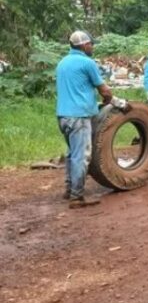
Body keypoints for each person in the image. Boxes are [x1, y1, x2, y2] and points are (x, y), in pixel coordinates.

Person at [55, 30, 113, 208]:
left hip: (63, 116)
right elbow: (104, 90)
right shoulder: (87, 63)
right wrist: (110, 100)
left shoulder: (62, 63)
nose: (92, 46)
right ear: (84, 45)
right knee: (81, 156)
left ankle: (69, 189)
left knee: (72, 154)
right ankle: (77, 197)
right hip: (79, 117)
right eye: (90, 44)